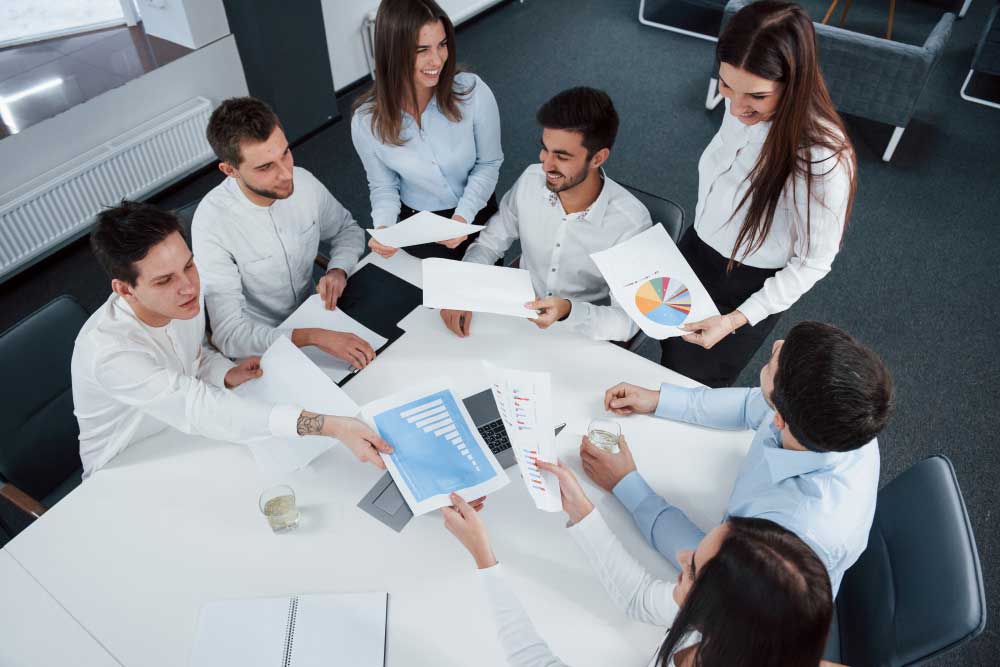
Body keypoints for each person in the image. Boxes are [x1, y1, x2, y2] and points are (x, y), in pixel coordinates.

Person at [72, 202, 391, 479]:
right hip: (128, 462)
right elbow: (198, 405)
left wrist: (223, 371)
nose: (189, 287)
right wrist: (328, 425)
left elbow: (192, 356)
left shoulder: (182, 299)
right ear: (125, 290)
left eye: (188, 266)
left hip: (188, 435)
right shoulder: (109, 353)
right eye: (165, 280)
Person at [587, 321, 892, 595]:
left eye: (778, 362)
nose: (777, 345)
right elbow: (751, 404)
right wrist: (660, 399)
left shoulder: (794, 531)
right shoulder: (842, 414)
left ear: (781, 420)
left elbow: (710, 570)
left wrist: (625, 484)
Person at [441, 460, 840, 666]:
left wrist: (484, 559)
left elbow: (534, 662)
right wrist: (582, 511)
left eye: (693, 569)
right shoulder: (763, 640)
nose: (683, 557)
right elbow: (639, 597)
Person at [665, 1, 857, 387]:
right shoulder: (742, 101)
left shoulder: (821, 158)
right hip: (697, 249)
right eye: (726, 85)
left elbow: (813, 262)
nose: (735, 107)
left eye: (756, 96)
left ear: (793, 84)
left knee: (690, 386)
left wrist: (736, 319)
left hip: (743, 286)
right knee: (665, 353)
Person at [440, 87, 652, 340]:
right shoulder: (531, 180)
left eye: (561, 156)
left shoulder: (631, 224)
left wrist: (568, 312)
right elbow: (488, 244)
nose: (546, 165)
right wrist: (462, 290)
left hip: (580, 333)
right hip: (516, 316)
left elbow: (627, 323)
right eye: (545, 149)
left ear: (598, 158)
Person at [192, 96, 372, 366]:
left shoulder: (303, 181)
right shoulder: (212, 225)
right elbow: (229, 334)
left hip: (316, 314)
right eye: (265, 167)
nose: (287, 174)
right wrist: (312, 336)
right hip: (260, 346)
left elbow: (347, 230)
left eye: (285, 153)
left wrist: (338, 269)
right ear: (230, 170)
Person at [351, 0, 502, 261]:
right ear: (393, 52)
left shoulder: (474, 92)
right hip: (420, 229)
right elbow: (383, 186)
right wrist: (385, 229)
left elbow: (489, 163)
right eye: (422, 50)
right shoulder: (366, 122)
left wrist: (463, 216)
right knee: (432, 300)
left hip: (475, 213)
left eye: (442, 45)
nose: (437, 60)